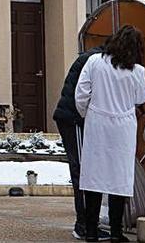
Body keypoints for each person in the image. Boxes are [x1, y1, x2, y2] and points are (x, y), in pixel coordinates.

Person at [75, 26, 145, 243]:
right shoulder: (137, 71)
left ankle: (91, 229)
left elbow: (81, 93)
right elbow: (142, 96)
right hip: (123, 126)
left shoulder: (95, 62)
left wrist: (86, 114)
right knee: (119, 178)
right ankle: (117, 232)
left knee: (93, 177)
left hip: (97, 122)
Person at [53, 47, 112, 241]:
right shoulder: (96, 61)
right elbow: (82, 96)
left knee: (84, 171)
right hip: (74, 120)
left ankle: (86, 223)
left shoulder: (93, 58)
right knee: (83, 171)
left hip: (74, 119)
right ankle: (84, 225)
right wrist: (88, 118)